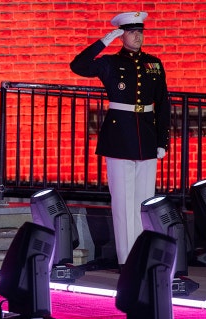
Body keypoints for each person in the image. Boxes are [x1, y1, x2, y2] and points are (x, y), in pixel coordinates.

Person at [70, 12, 171, 268]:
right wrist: (103, 41)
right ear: (122, 34)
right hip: (119, 137)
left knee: (144, 201)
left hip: (146, 137)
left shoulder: (153, 63)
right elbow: (78, 65)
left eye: (140, 31)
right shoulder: (110, 63)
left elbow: (163, 104)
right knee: (124, 203)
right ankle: (128, 260)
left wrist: (162, 141)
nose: (138, 36)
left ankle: (143, 255)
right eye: (131, 31)